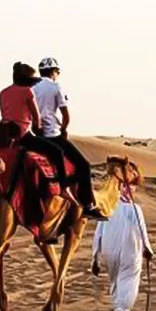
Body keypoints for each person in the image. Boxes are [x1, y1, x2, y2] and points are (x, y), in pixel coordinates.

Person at [0, 62, 106, 221]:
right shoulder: (40, 90)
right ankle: (71, 193)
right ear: (55, 72)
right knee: (70, 159)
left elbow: (5, 112)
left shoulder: (3, 92)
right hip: (33, 135)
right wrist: (60, 129)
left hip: (5, 138)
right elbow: (38, 119)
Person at [33, 56, 103, 214]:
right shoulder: (56, 87)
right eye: (57, 71)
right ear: (54, 72)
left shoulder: (33, 89)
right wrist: (64, 129)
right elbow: (65, 114)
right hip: (52, 134)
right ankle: (86, 205)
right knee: (84, 166)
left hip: (36, 135)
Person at [90, 159, 153, 311]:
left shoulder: (108, 207)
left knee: (115, 280)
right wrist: (147, 249)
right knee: (130, 277)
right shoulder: (134, 209)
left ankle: (119, 308)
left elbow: (98, 233)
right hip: (130, 249)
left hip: (108, 250)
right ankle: (122, 310)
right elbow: (141, 229)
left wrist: (94, 258)